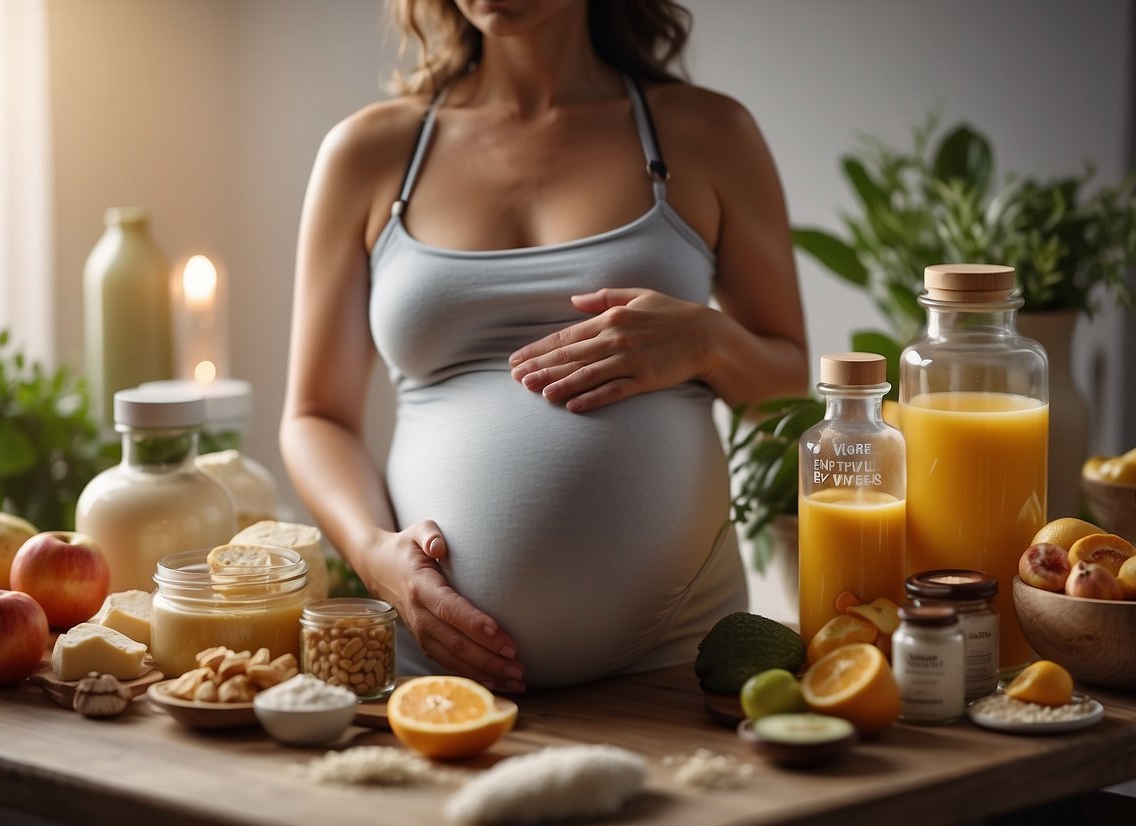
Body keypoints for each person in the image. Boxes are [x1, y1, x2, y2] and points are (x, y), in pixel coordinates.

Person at [280, 0, 807, 693]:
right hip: (435, 681)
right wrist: (374, 553)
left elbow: (789, 392)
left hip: (675, 670)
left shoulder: (708, 133)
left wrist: (708, 343)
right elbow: (316, 414)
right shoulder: (370, 152)